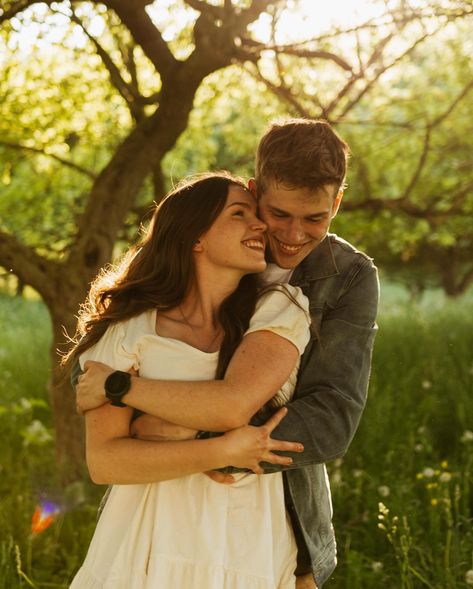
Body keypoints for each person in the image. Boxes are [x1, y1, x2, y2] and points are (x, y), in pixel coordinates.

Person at [77, 118, 380, 587]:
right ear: (257, 191)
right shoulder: (198, 257)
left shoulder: (345, 278)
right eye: (278, 214)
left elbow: (331, 418)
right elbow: (106, 448)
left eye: (315, 218)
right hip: (160, 514)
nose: (293, 235)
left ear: (336, 203)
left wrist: (193, 438)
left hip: (272, 509)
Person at [67, 172, 312, 588]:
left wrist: (122, 390)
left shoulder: (279, 309)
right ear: (195, 236)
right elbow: (105, 462)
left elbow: (234, 405)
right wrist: (223, 447)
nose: (261, 226)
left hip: (246, 538)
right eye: (240, 214)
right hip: (148, 538)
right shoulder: (130, 329)